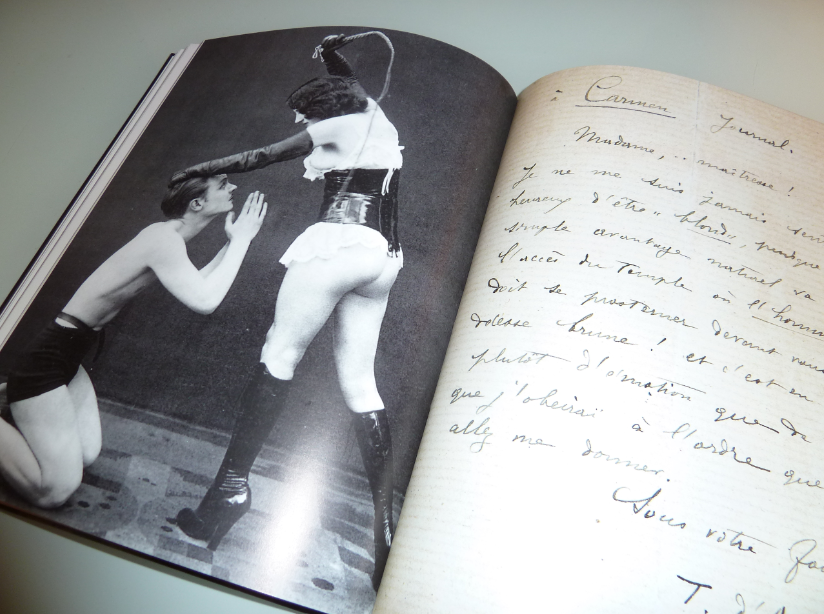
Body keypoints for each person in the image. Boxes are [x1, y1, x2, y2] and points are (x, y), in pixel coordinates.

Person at [172, 34, 401, 590]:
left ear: (323, 110)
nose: (300, 118)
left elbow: (259, 157)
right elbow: (349, 84)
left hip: (337, 245)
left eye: (304, 111)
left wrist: (191, 170)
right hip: (383, 257)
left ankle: (231, 488)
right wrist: (330, 54)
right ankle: (388, 531)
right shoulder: (376, 118)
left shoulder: (332, 126)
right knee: (360, 385)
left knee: (278, 355)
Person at [0, 176, 267, 509]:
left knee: (87, 454)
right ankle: (18, 399)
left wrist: (232, 244)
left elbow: (196, 283)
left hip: (70, 358)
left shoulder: (166, 237)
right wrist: (242, 241)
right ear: (197, 203)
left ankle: (17, 403)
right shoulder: (162, 240)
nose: (233, 189)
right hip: (47, 362)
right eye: (223, 184)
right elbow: (206, 301)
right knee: (54, 491)